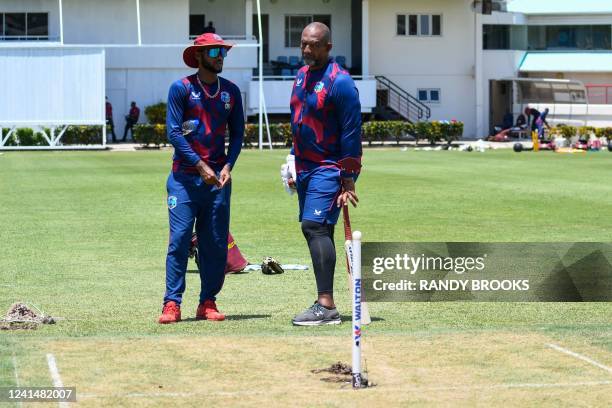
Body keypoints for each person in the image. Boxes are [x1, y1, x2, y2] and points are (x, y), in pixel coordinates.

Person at [158, 33, 244, 324]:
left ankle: (208, 301)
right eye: (215, 51)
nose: (221, 56)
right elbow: (173, 133)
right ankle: (172, 304)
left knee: (215, 243)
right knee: (180, 240)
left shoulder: (231, 92)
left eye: (223, 51)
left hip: (217, 182)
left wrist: (228, 166)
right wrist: (198, 165)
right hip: (183, 180)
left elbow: (238, 134)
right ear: (199, 56)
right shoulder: (180, 89)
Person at [287, 22, 362, 326]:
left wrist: (348, 177)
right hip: (304, 166)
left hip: (328, 167)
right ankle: (326, 304)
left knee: (313, 226)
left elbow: (351, 131)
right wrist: (291, 159)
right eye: (303, 43)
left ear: (328, 47)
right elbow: (298, 120)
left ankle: (326, 305)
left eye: (314, 44)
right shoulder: (301, 75)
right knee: (322, 230)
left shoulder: (340, 82)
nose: (307, 49)